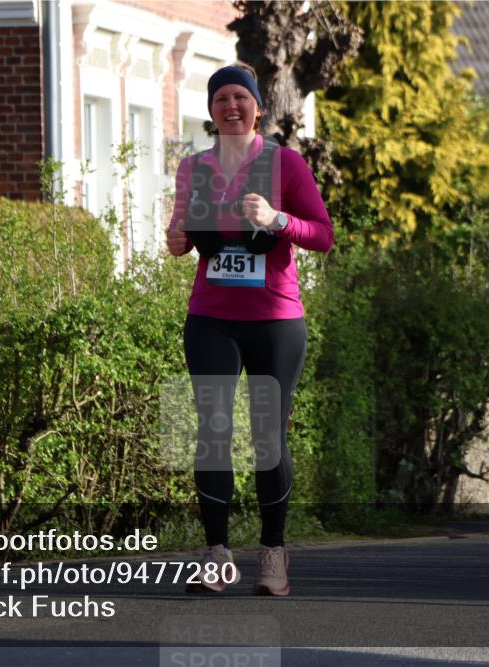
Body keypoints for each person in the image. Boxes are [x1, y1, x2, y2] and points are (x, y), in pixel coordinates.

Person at [165, 64, 333, 596]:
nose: (231, 106)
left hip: (275, 321)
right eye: (221, 99)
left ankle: (273, 555)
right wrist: (175, 236)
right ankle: (216, 555)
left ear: (258, 107)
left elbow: (323, 236)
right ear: (211, 110)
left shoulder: (285, 164)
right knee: (212, 436)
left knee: (267, 439)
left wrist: (278, 220)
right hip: (211, 318)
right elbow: (180, 239)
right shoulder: (193, 168)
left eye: (241, 97)